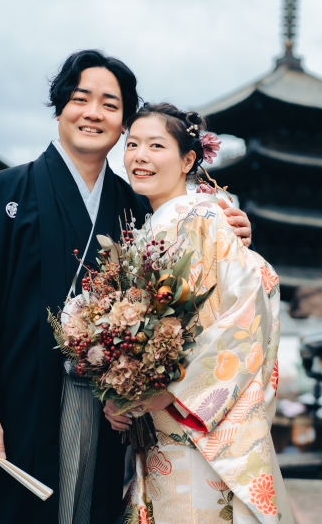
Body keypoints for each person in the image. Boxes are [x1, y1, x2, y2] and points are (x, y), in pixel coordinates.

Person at [0, 50, 252, 524]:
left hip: (107, 406)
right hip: (14, 407)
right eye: (80, 98)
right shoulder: (3, 196)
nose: (93, 113)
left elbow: (189, 281)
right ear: (60, 107)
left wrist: (227, 226)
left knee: (95, 508)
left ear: (123, 122)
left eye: (110, 105)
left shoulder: (137, 209)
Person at [102, 103, 293, 524]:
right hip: (156, 427)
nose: (140, 156)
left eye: (156, 145)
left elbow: (248, 312)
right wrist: (123, 394)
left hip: (193, 425)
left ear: (189, 159)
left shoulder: (208, 216)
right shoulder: (147, 227)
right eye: (132, 144)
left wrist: (166, 393)